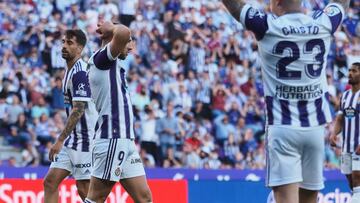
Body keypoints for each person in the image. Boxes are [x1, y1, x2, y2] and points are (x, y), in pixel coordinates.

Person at [222, 0, 350, 203]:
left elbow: (235, 6)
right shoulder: (324, 22)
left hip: (283, 129)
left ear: (278, 2)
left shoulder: (267, 26)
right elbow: (341, 5)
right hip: (315, 129)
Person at [84, 20, 152, 203]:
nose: (130, 46)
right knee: (96, 198)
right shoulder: (101, 59)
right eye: (128, 41)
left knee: (145, 198)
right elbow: (122, 32)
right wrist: (113, 29)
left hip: (125, 140)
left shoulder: (111, 64)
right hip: (112, 136)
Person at [43, 29, 97, 202]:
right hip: (72, 140)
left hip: (85, 140)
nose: (64, 46)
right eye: (64, 42)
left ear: (80, 49)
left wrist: (59, 140)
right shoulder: (69, 70)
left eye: (70, 43)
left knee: (84, 190)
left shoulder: (80, 73)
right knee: (50, 182)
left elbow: (79, 109)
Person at [330, 62, 360, 203]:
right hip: (346, 146)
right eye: (349, 70)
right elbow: (340, 118)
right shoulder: (345, 96)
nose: (350, 73)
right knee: (349, 179)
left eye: (354, 71)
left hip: (359, 146)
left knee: (356, 177)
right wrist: (334, 134)